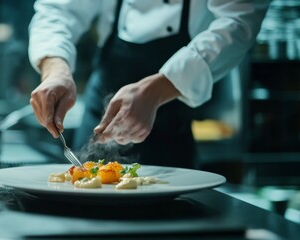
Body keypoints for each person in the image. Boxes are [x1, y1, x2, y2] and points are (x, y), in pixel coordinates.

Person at [28, 0, 270, 168]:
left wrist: (156, 90)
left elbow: (238, 23)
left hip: (172, 120)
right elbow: (57, 10)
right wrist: (55, 69)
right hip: (99, 108)